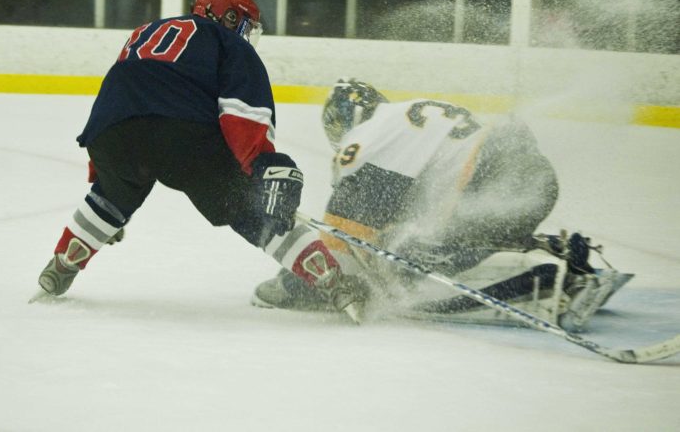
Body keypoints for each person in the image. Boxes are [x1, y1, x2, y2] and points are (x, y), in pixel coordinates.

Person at [35, 0, 369, 323]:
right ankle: (334, 282)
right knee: (252, 207)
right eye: (243, 23)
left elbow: (118, 96)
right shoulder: (226, 42)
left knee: (111, 196)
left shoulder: (143, 33)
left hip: (111, 134)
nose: (246, 33)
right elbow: (242, 113)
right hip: (184, 135)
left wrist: (103, 173)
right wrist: (265, 167)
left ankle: (61, 265)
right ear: (226, 15)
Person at [252, 79, 630, 332]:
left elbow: (343, 243)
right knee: (441, 245)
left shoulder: (364, 143)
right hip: (532, 176)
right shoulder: (409, 120)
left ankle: (548, 283)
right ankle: (568, 258)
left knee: (410, 279)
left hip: (492, 180)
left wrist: (293, 284)